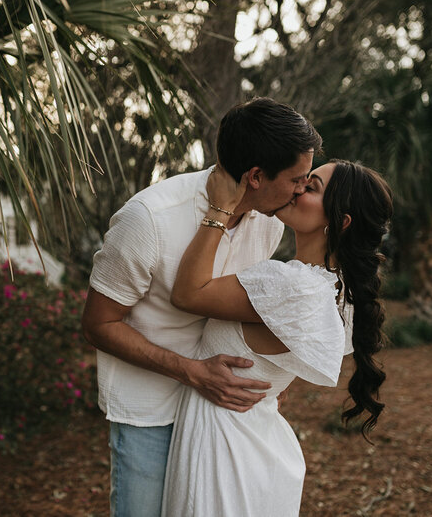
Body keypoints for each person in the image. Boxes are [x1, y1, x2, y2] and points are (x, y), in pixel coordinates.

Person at [81, 97, 322, 517]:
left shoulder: (268, 221)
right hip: (151, 411)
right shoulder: (149, 219)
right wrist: (192, 371)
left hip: (225, 415)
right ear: (256, 176)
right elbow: (98, 323)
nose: (303, 188)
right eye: (298, 179)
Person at [161, 160, 393, 516]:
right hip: (259, 443)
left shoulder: (289, 285)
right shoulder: (339, 290)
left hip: (224, 448)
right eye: (301, 180)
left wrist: (219, 209)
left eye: (310, 187)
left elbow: (188, 294)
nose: (297, 189)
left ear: (340, 221)